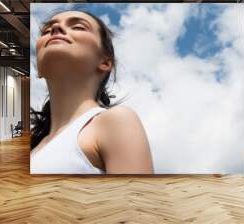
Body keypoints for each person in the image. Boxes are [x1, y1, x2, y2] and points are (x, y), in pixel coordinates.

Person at [30, 9, 154, 174]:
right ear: (39, 68)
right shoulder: (32, 147)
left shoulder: (115, 121)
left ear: (105, 62)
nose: (56, 29)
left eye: (79, 27)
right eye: (46, 31)